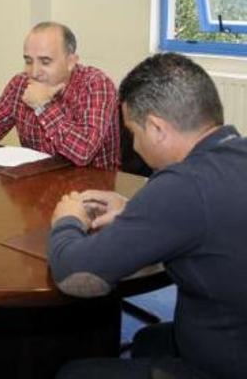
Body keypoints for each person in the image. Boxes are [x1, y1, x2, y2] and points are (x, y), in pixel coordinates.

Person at [48, 53, 247, 379]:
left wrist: (68, 220)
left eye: (133, 133)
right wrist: (135, 207)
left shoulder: (182, 185)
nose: (136, 147)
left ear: (156, 127)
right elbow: (210, 216)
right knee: (149, 341)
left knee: (73, 374)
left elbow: (76, 277)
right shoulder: (235, 152)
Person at [0, 21, 120, 170]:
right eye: (28, 61)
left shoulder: (96, 85)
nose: (34, 71)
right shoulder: (21, 83)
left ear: (71, 61)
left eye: (45, 61)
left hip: (92, 190)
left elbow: (83, 152)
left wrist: (43, 107)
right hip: (37, 183)